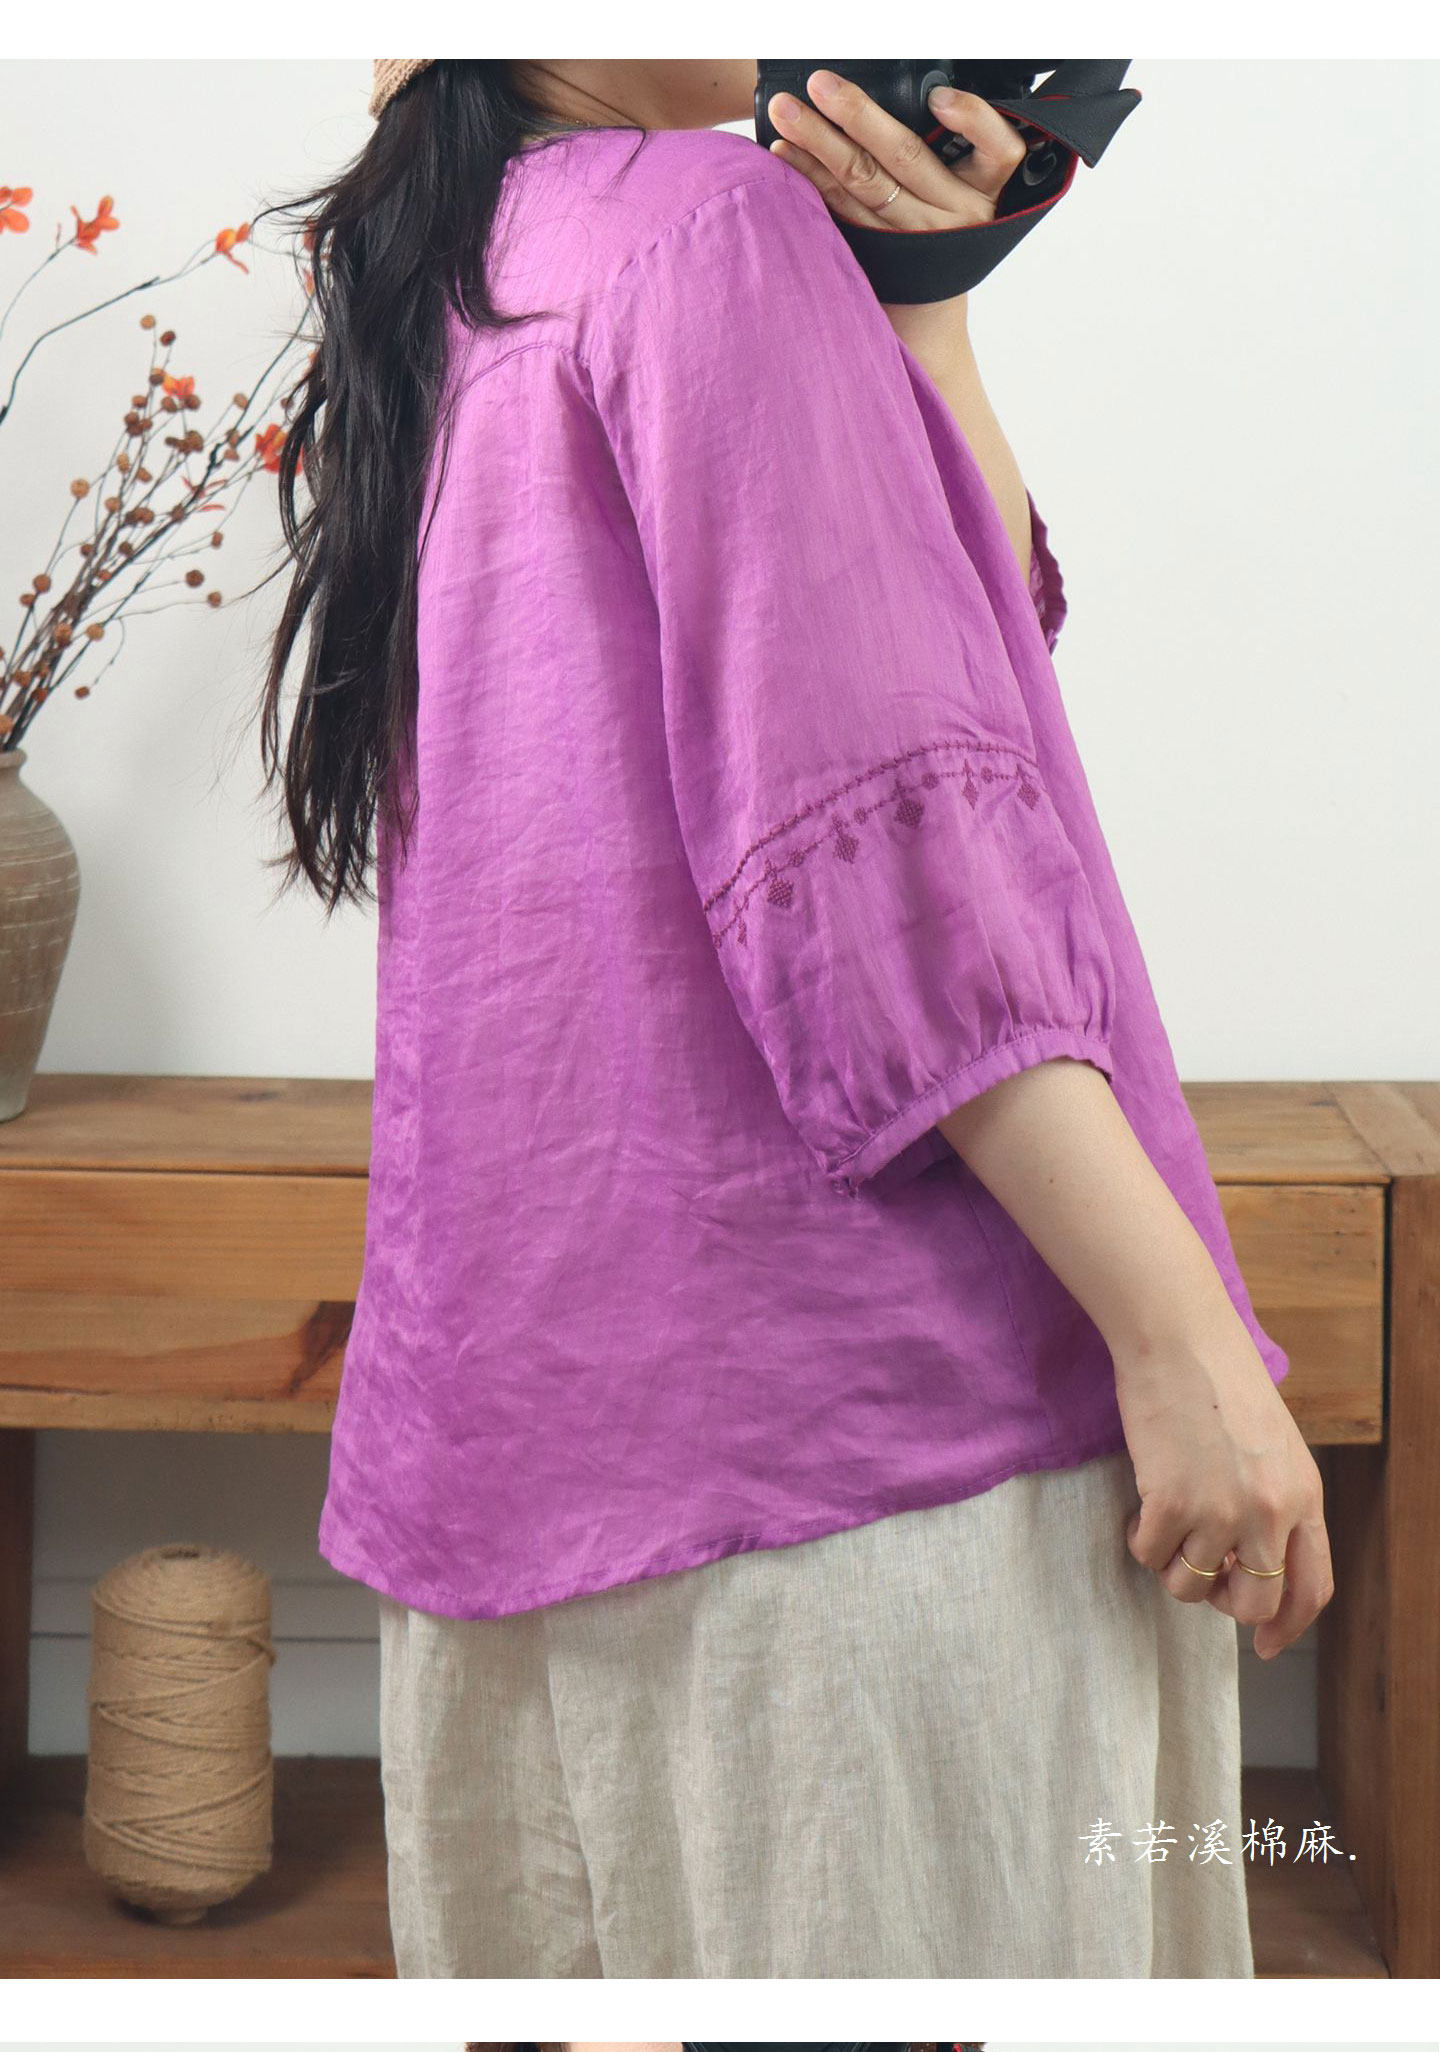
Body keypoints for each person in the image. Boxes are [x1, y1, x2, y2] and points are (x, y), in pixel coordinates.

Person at [259, 58, 1333, 1979]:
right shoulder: (710, 227)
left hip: (532, 1440)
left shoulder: (457, 253)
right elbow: (885, 857)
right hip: (859, 1453)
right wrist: (1184, 1344)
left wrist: (920, 299)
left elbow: (955, 631)